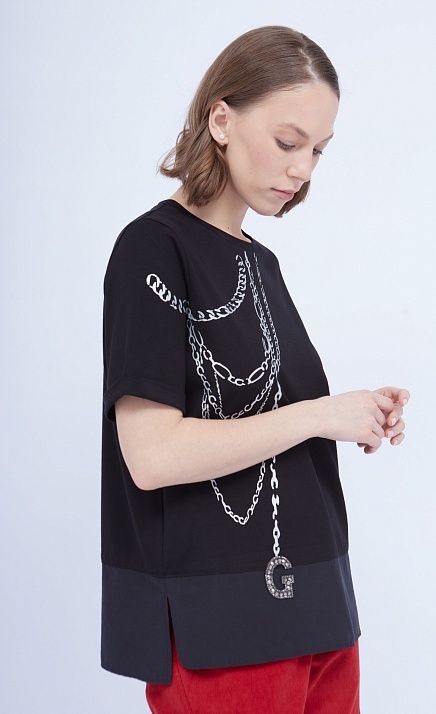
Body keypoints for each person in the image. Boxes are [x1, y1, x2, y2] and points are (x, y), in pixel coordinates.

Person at [100, 25, 409, 714]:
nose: (304, 169)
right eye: (288, 141)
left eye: (318, 151)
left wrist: (354, 413)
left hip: (320, 604)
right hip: (222, 624)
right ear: (221, 120)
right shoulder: (151, 248)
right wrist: (319, 414)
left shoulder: (259, 261)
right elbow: (150, 455)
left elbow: (267, 414)